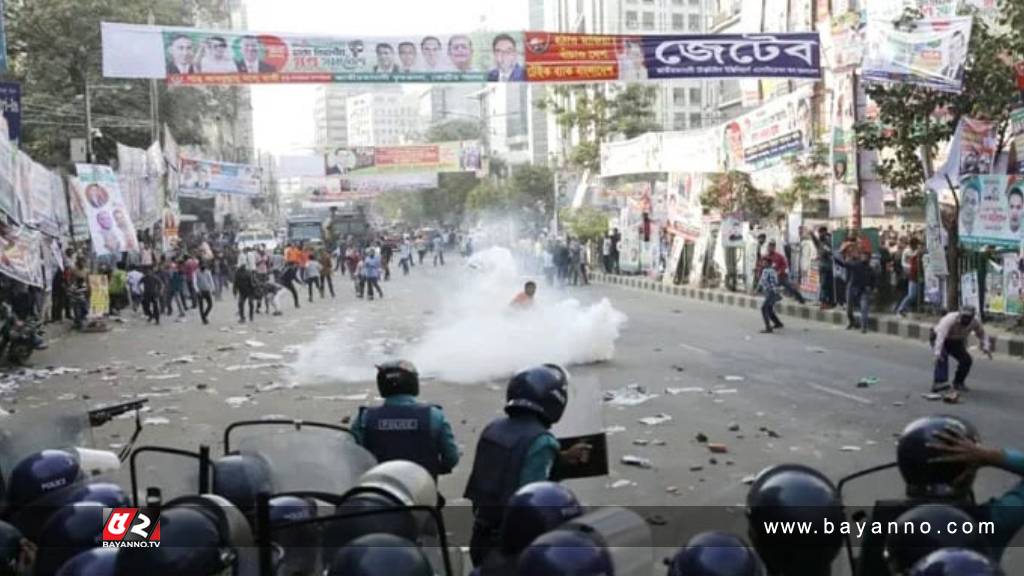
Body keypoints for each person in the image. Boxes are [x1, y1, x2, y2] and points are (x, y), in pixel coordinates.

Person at [463, 365, 592, 567]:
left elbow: (507, 467)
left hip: (481, 535)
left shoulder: (493, 428)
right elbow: (534, 501)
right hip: (512, 547)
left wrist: (560, 458)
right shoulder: (543, 441)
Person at [351, 361, 459, 486]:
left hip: (378, 490)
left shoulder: (365, 417)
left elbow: (352, 456)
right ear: (413, 382)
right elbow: (451, 458)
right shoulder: (434, 415)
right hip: (421, 489)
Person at [931, 305, 991, 393]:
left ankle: (958, 382)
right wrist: (937, 353)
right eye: (964, 317)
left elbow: (982, 334)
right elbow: (941, 336)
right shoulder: (950, 319)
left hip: (955, 341)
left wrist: (986, 346)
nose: (966, 319)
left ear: (972, 317)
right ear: (960, 315)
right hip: (939, 338)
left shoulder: (975, 322)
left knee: (966, 360)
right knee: (942, 356)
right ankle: (939, 382)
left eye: (968, 318)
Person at [836, 249, 874, 332]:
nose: (864, 257)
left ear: (869, 258)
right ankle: (851, 321)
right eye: (863, 255)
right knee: (849, 308)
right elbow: (844, 264)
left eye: (866, 256)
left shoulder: (870, 269)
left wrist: (871, 288)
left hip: (864, 290)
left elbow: (873, 281)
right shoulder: (856, 265)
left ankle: (864, 326)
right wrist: (835, 257)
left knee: (864, 308)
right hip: (852, 288)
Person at [895, 238, 922, 317]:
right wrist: (909, 268)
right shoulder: (907, 251)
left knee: (913, 295)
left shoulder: (917, 251)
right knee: (910, 295)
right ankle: (900, 309)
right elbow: (903, 263)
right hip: (909, 274)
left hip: (915, 275)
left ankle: (904, 309)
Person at [757, 256, 784, 334]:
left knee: (764, 308)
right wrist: (757, 290)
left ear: (768, 263)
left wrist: (774, 292)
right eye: (763, 262)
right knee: (769, 308)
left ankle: (768, 328)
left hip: (771, 292)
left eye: (764, 262)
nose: (762, 263)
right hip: (769, 292)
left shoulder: (770, 271)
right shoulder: (765, 270)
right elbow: (762, 282)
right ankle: (778, 323)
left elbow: (773, 282)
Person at [810, 226, 834, 308]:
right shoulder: (820, 242)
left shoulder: (829, 241)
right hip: (822, 267)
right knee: (823, 285)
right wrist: (812, 234)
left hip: (828, 267)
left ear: (825, 232)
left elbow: (829, 252)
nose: (820, 234)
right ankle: (825, 301)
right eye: (819, 233)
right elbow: (815, 241)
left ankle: (827, 302)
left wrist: (823, 253)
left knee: (826, 285)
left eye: (821, 232)